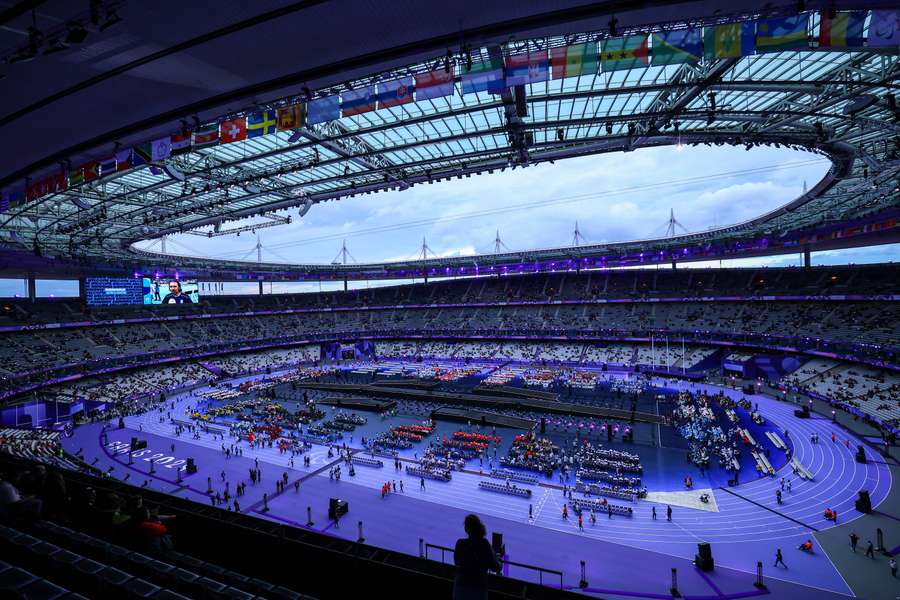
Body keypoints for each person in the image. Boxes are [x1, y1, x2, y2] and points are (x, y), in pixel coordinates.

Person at [453, 514, 501, 600]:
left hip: (461, 587)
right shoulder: (484, 544)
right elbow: (495, 567)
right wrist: (499, 561)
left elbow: (457, 562)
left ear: (466, 529)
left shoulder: (460, 543)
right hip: (478, 589)